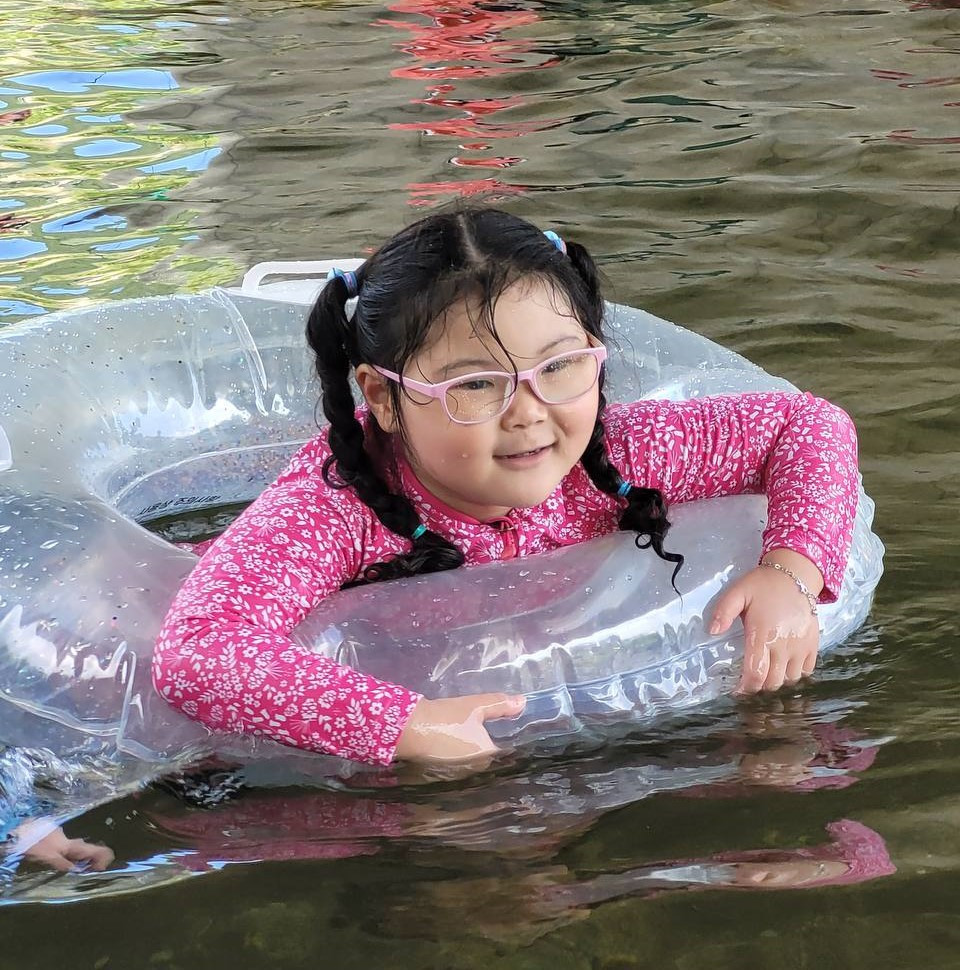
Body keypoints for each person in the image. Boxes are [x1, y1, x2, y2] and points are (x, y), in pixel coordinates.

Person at [154, 206, 859, 769]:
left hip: (571, 699)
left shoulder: (617, 453)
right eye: (476, 384)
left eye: (559, 367)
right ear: (386, 399)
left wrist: (790, 570)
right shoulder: (336, 505)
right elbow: (200, 649)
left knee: (798, 770)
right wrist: (402, 725)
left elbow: (806, 424)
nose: (528, 412)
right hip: (393, 732)